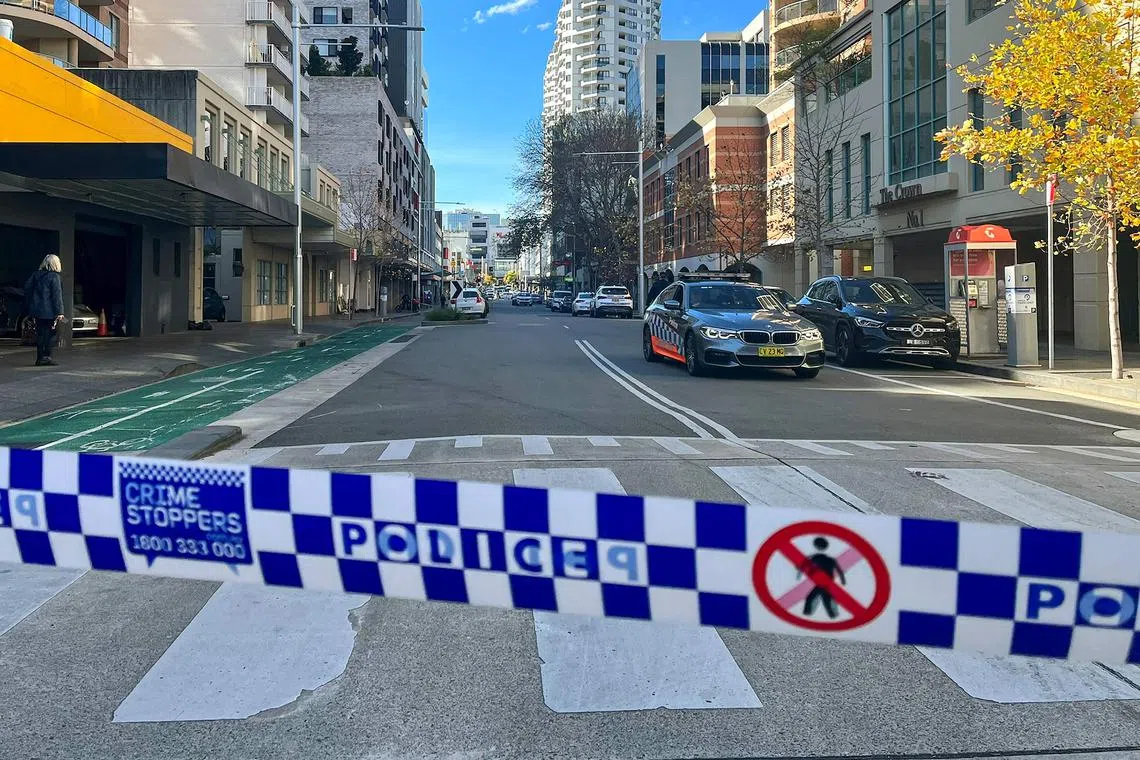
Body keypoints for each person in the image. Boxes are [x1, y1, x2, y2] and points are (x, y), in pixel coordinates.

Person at [24, 254, 65, 367]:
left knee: (41, 334)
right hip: (49, 311)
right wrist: (60, 312)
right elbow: (57, 296)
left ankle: (40, 357)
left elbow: (27, 289)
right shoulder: (54, 277)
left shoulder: (35, 275)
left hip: (37, 310)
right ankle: (46, 357)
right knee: (50, 334)